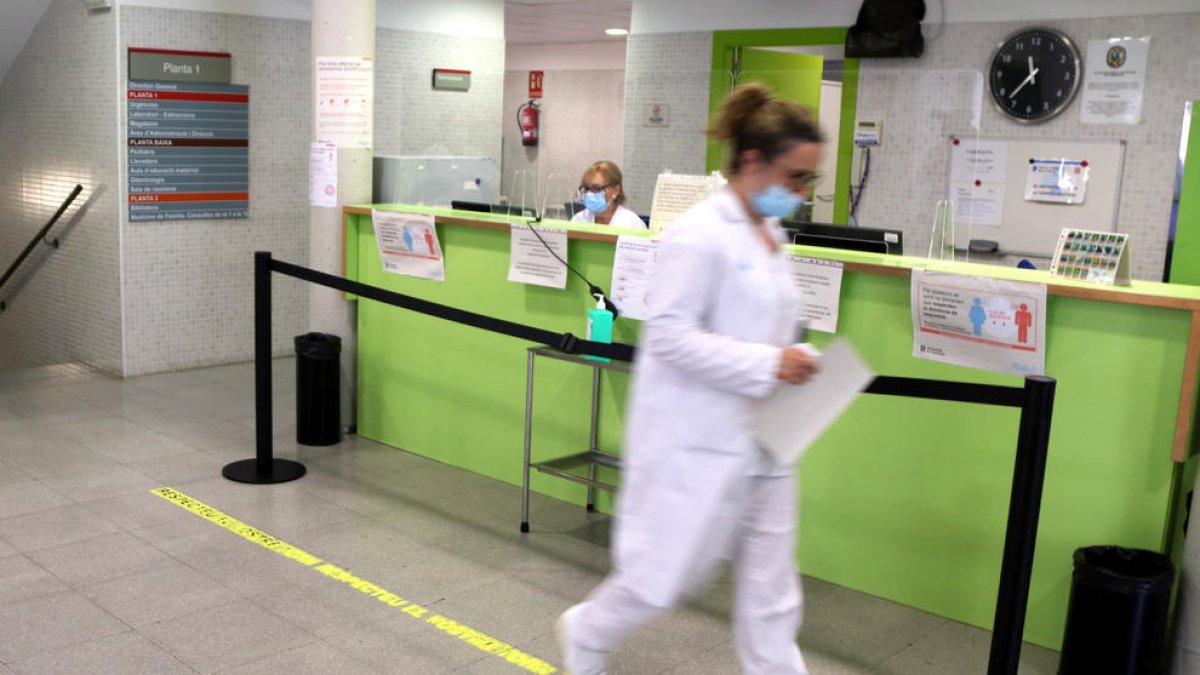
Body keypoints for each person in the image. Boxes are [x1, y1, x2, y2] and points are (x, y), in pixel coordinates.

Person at [556, 82, 824, 675]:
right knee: (658, 580)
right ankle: (589, 630)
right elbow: (672, 338)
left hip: (767, 441)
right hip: (696, 441)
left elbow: (762, 324)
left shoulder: (771, 234)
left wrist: (796, 356)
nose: (802, 194)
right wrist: (769, 363)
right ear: (753, 161)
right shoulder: (700, 233)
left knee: (773, 601)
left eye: (809, 181)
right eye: (797, 177)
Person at [571, 160, 647, 229]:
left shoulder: (632, 224)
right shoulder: (578, 220)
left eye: (596, 188)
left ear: (615, 191)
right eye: (587, 188)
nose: (590, 194)